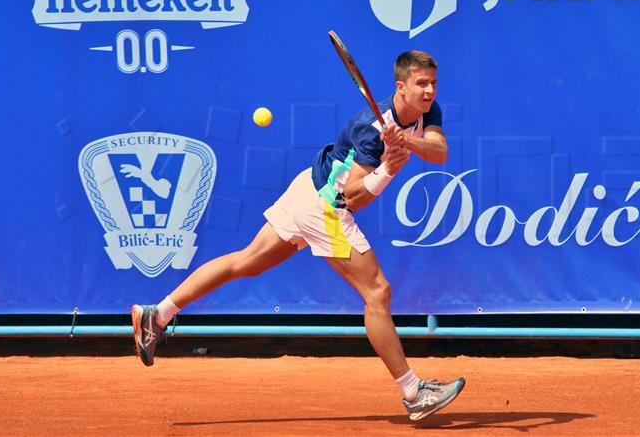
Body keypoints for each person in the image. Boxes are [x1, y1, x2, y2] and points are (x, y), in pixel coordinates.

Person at [131, 50, 465, 421]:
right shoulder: (369, 130)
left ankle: (157, 314)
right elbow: (351, 197)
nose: (430, 90)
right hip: (324, 205)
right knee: (377, 291)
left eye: (433, 82)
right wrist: (386, 168)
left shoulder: (425, 111)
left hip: (307, 187)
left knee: (247, 262)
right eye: (422, 83)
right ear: (400, 87)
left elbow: (440, 151)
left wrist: (404, 141)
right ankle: (414, 392)